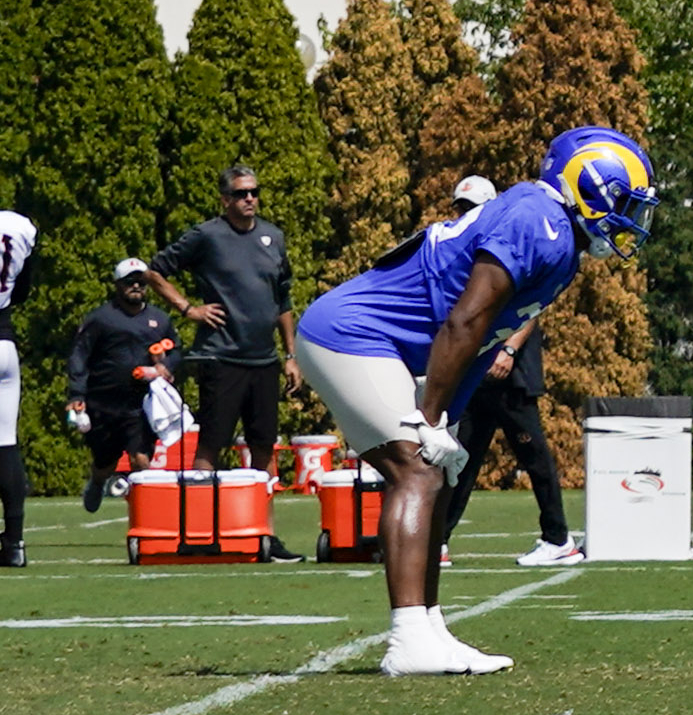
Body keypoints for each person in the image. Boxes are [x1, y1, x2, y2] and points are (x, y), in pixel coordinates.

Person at [289, 128, 648, 678]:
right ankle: (409, 636)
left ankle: (430, 629)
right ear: (588, 187)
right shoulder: (539, 222)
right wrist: (429, 417)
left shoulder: (558, 239)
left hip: (385, 343)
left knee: (436, 471)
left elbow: (480, 338)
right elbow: (467, 318)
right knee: (417, 470)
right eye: (623, 202)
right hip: (351, 333)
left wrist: (447, 419)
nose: (628, 219)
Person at [151, 167, 293, 483]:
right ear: (225, 199)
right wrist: (189, 309)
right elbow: (155, 272)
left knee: (264, 447)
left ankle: (262, 530)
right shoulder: (207, 236)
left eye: (254, 192)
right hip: (222, 357)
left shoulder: (274, 238)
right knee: (211, 446)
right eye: (242, 193)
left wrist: (291, 356)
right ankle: (204, 528)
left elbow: (283, 300)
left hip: (265, 360)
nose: (250, 199)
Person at [426, 311, 572, 566]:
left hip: (513, 379)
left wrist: (509, 351)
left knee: (535, 459)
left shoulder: (516, 272)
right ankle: (438, 541)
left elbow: (531, 310)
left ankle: (558, 540)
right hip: (477, 377)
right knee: (460, 462)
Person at [72, 259, 175, 512]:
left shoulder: (159, 320)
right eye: (130, 281)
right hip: (104, 404)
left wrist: (166, 367)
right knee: (105, 462)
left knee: (141, 459)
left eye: (141, 281)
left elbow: (176, 350)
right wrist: (76, 392)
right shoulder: (100, 319)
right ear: (118, 285)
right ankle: (97, 481)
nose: (136, 286)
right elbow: (79, 355)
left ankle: (148, 517)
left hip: (140, 405)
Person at [0, 201, 32, 568]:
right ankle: (14, 544)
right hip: (4, 344)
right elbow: (22, 290)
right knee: (5, 442)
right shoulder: (17, 227)